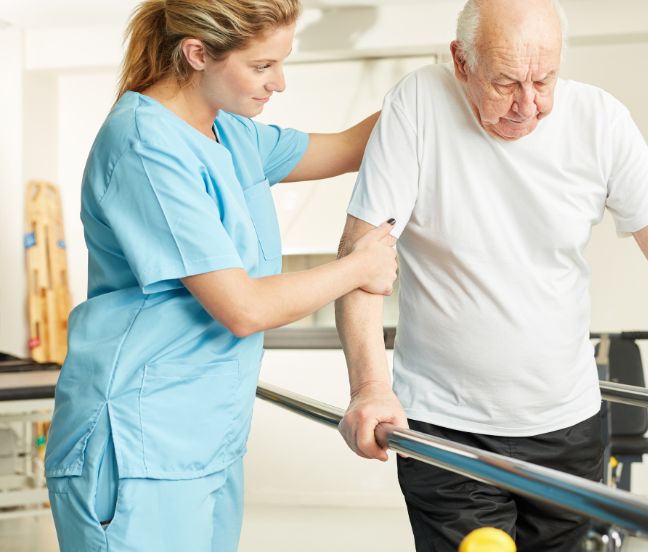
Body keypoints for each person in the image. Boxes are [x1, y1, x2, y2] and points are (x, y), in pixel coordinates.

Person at [334, 0, 648, 550]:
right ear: (461, 62)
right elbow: (360, 255)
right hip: (446, 426)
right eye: (506, 82)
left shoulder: (601, 121)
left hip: (568, 426)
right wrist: (368, 387)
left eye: (544, 79)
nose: (528, 105)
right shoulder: (418, 103)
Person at [43, 1, 397, 550]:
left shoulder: (232, 135)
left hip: (207, 439)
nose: (279, 82)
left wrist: (442, 94)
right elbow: (244, 308)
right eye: (262, 67)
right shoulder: (144, 143)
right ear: (197, 53)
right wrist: (358, 268)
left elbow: (352, 145)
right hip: (138, 444)